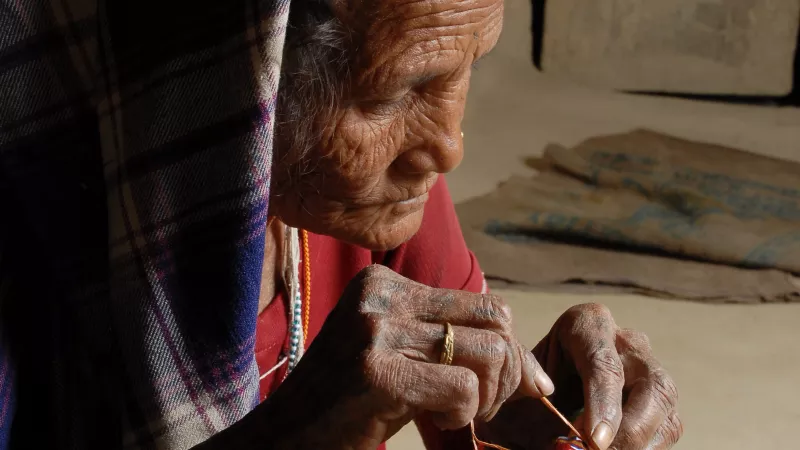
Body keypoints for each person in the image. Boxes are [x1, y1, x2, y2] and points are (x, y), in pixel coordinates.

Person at [0, 0, 681, 448]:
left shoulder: (379, 196)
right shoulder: (30, 234)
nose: (449, 146)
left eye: (470, 66)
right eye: (396, 92)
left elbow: (463, 403)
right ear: (231, 87)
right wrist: (303, 430)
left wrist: (545, 406)